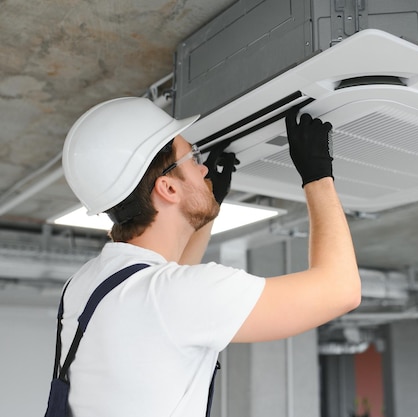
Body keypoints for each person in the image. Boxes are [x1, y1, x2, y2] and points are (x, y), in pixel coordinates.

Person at [58, 97, 361, 416]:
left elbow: (165, 302)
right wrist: (317, 176)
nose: (202, 168)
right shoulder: (170, 296)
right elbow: (341, 290)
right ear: (168, 189)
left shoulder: (84, 286)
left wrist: (207, 204)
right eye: (192, 158)